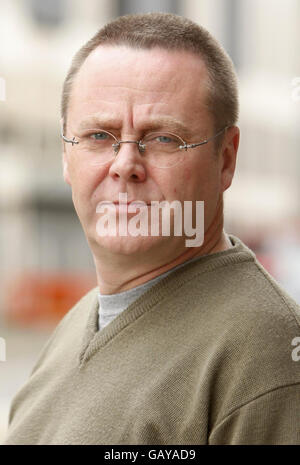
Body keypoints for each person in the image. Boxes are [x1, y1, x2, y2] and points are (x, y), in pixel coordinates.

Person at [3, 12, 300, 445]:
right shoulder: (73, 330)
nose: (125, 165)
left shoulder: (265, 361)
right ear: (66, 155)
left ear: (226, 159)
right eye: (99, 136)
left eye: (163, 138)